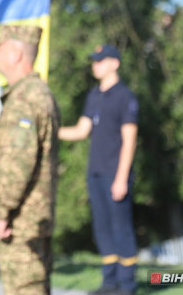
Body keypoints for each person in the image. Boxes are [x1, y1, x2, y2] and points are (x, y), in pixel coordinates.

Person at [59, 44, 139, 295]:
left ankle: (127, 284)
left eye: (101, 61)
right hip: (95, 172)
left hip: (115, 174)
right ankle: (110, 282)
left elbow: (129, 140)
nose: (96, 65)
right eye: (94, 61)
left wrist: (121, 178)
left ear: (114, 63)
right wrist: (51, 130)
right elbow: (81, 131)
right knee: (102, 228)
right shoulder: (94, 96)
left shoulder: (125, 97)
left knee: (120, 228)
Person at [0, 25, 60, 295]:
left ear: (17, 53)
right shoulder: (38, 94)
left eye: (0, 48)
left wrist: (1, 212)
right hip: (32, 219)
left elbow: (18, 164)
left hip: (21, 222)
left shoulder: (25, 99)